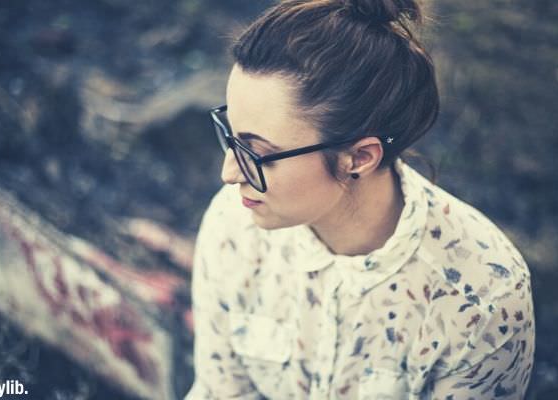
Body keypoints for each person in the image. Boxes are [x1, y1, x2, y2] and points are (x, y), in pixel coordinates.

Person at [185, 0, 535, 399]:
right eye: (230, 136)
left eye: (255, 153)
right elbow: (221, 390)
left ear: (360, 157)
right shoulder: (234, 226)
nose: (228, 173)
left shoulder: (483, 296)